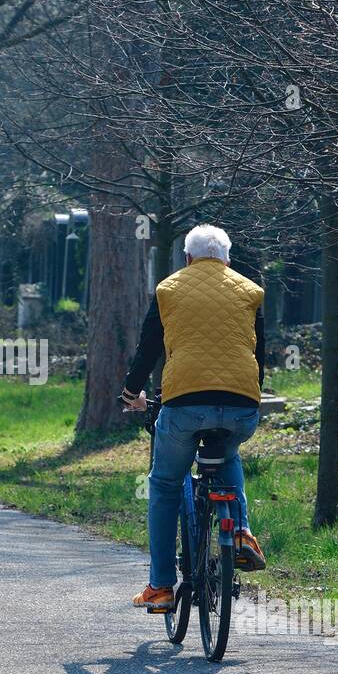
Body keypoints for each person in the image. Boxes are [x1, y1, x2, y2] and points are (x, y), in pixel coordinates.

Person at [121, 223, 268, 610]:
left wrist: (130, 391)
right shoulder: (251, 291)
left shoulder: (168, 289)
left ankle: (162, 587)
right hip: (241, 404)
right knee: (229, 454)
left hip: (184, 403)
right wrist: (250, 396)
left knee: (166, 483)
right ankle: (241, 533)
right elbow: (259, 356)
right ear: (227, 259)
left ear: (187, 258)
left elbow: (148, 347)